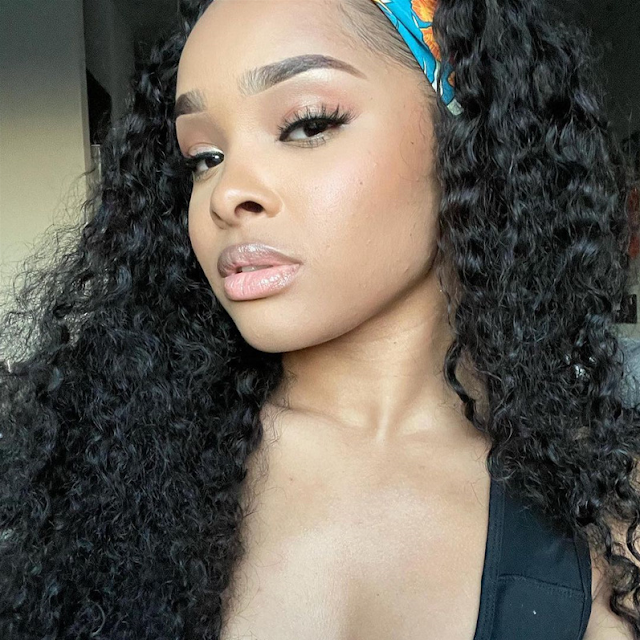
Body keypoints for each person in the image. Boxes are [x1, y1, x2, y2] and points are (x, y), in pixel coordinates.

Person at [1, 0, 639, 637]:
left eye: (308, 125)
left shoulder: (608, 515)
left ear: (469, 137)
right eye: (204, 157)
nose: (226, 194)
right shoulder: (99, 473)